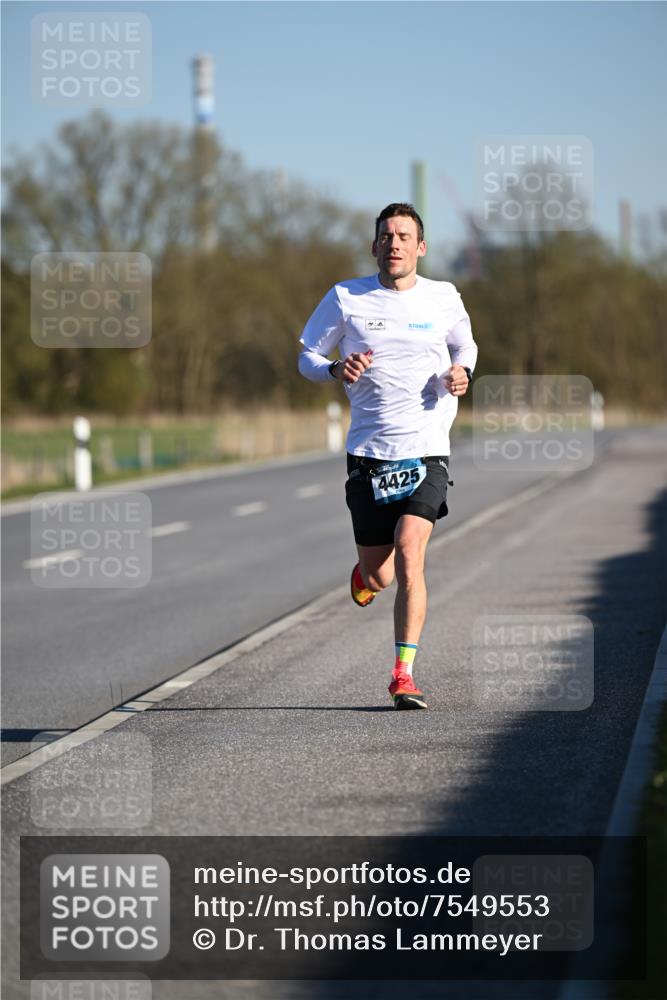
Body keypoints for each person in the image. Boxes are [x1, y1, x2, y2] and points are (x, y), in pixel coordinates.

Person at [298, 203, 478, 710]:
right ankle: (364, 578)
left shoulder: (443, 297)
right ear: (374, 245)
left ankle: (403, 675)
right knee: (380, 573)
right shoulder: (346, 297)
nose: (394, 243)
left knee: (410, 551)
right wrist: (336, 369)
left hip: (426, 452)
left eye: (404, 236)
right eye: (386, 236)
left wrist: (461, 372)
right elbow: (307, 357)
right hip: (369, 456)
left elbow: (467, 347)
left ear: (420, 247)